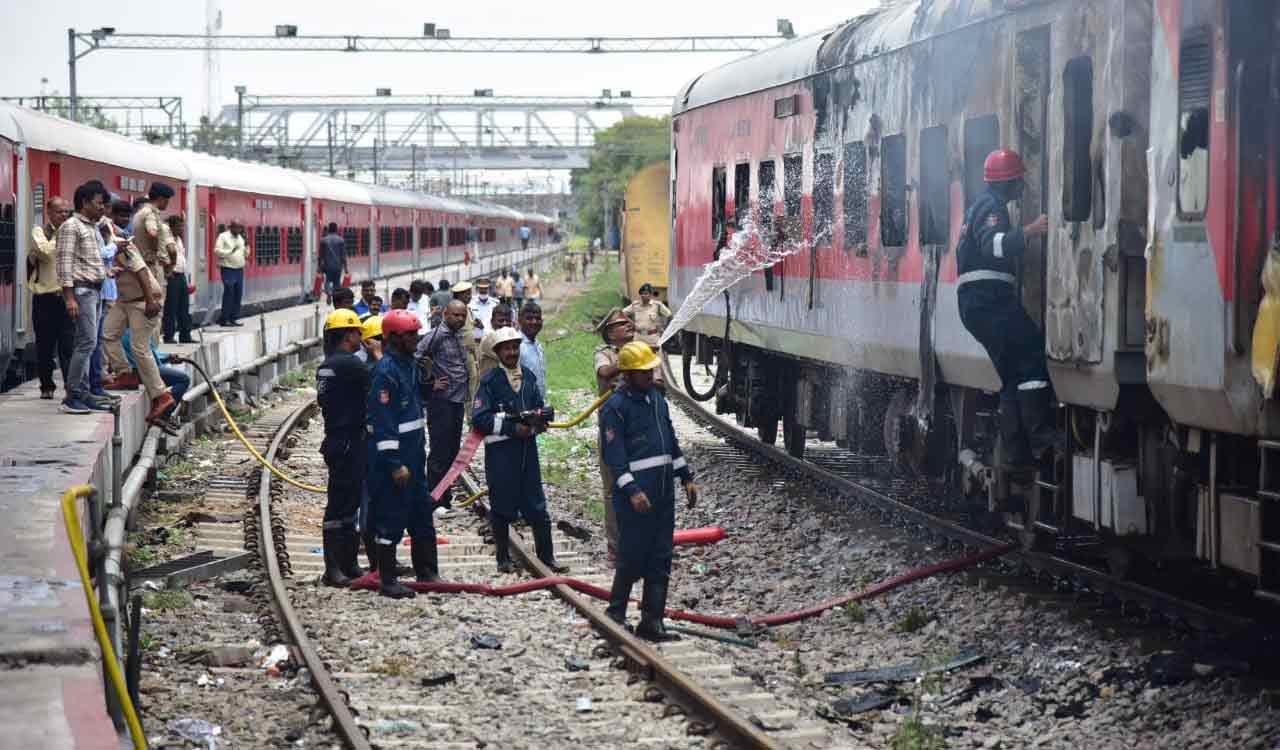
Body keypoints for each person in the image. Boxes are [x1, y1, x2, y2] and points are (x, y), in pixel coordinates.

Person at [956, 149, 1057, 468]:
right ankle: (1043, 440)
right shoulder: (991, 207)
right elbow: (993, 245)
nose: (1022, 185)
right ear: (1008, 181)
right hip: (989, 300)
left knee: (1012, 376)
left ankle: (1017, 456)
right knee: (1030, 357)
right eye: (1019, 179)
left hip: (979, 303)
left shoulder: (979, 205)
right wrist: (1032, 230)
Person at [600, 342, 697, 641]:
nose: (649, 374)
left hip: (664, 492)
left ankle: (651, 621)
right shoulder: (615, 407)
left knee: (660, 556)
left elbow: (669, 441)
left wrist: (685, 477)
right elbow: (614, 456)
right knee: (631, 555)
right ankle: (616, 613)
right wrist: (632, 491)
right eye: (643, 371)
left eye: (650, 369)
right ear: (628, 374)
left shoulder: (657, 399)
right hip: (637, 497)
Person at [472, 327, 567, 574]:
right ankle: (503, 559)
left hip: (527, 452)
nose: (512, 352)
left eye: (515, 347)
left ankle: (547, 558)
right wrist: (514, 429)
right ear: (498, 352)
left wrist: (538, 422)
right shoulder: (489, 382)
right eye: (507, 348)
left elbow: (538, 411)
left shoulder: (530, 378)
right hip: (501, 454)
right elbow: (480, 420)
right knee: (502, 506)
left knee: (536, 504)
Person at [367, 309, 437, 598]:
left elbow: (419, 402)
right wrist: (394, 464)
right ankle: (388, 580)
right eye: (411, 334)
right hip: (395, 463)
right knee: (391, 517)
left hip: (415, 457)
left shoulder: (410, 364)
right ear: (394, 338)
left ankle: (427, 571)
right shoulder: (386, 372)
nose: (417, 339)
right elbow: (383, 422)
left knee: (421, 514)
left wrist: (428, 378)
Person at [103, 183, 177, 425]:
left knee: (140, 348)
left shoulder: (124, 245)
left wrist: (150, 301)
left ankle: (161, 394)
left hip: (143, 300)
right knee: (109, 334)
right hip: (125, 300)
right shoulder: (109, 248)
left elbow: (143, 272)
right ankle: (124, 373)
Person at [316, 309, 372, 587]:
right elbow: (378, 380)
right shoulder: (350, 364)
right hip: (349, 442)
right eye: (358, 333)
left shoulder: (329, 364)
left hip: (338, 440)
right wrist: (377, 354)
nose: (361, 338)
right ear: (349, 334)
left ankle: (348, 564)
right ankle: (334, 568)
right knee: (340, 507)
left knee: (347, 505)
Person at [56, 181, 113, 414]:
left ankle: (85, 392)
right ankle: (73, 395)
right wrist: (69, 298)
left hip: (95, 291)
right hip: (82, 291)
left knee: (90, 343)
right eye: (99, 203)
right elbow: (64, 264)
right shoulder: (71, 227)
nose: (103, 208)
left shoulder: (91, 226)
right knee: (86, 342)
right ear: (85, 202)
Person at [417, 300, 471, 509]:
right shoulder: (435, 336)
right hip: (441, 402)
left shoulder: (459, 335)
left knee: (451, 451)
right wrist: (431, 383)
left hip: (457, 401)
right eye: (455, 315)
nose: (459, 318)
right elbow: (415, 358)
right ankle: (434, 499)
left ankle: (444, 497)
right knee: (440, 452)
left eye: (462, 315)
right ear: (446, 314)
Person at [593, 308, 635, 562]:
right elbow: (605, 372)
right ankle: (615, 546)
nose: (629, 325)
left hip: (636, 430)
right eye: (622, 324)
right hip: (612, 432)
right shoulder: (604, 354)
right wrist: (628, 362)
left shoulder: (640, 349)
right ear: (610, 333)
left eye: (628, 322)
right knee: (612, 489)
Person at [30, 197, 74, 400]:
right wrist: (64, 238)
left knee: (68, 345)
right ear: (49, 212)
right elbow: (46, 252)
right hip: (45, 298)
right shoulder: (38, 231)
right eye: (60, 212)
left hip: (66, 297)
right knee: (45, 345)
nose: (64, 215)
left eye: (67, 212)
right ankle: (46, 386)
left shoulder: (72, 232)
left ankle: (70, 386)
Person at [120, 327, 189, 425]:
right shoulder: (136, 332)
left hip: (139, 370)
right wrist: (167, 357)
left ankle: (162, 409)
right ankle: (163, 415)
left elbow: (150, 354)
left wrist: (168, 357)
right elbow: (149, 357)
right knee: (183, 379)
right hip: (142, 371)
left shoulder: (126, 331)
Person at [162, 215, 194, 344]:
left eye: (182, 226)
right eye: (179, 226)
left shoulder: (179, 239)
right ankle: (169, 336)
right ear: (171, 227)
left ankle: (185, 335)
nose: (182, 229)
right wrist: (167, 270)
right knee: (171, 307)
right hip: (172, 275)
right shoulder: (166, 240)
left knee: (184, 307)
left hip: (181, 275)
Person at [215, 221, 248, 326]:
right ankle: (225, 319)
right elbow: (217, 250)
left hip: (239, 269)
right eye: (237, 227)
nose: (239, 230)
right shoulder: (223, 236)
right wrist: (230, 252)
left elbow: (245, 253)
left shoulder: (240, 238)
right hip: (228, 268)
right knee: (229, 292)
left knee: (238, 294)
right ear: (231, 227)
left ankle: (234, 318)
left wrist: (247, 247)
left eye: (240, 228)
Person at [624, 283, 672, 350]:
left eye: (646, 293)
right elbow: (622, 313)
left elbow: (669, 315)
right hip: (638, 337)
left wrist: (665, 328)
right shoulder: (635, 305)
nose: (643, 295)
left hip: (652, 338)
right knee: (637, 357)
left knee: (654, 358)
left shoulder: (657, 305)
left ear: (650, 295)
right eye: (642, 294)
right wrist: (631, 323)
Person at [518, 302, 547, 402]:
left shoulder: (538, 345)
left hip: (538, 403)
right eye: (529, 318)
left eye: (538, 319)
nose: (534, 322)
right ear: (520, 320)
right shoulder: (517, 346)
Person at [476, 303, 514, 377]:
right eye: (501, 320)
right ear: (492, 322)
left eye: (508, 320)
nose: (504, 324)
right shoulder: (489, 339)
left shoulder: (507, 338)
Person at [319, 223, 347, 304]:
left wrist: (319, 267)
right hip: (338, 266)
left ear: (328, 229)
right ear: (336, 229)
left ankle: (328, 293)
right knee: (337, 283)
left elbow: (320, 255)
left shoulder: (323, 240)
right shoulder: (341, 240)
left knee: (327, 281)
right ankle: (335, 297)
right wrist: (346, 268)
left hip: (327, 266)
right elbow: (343, 255)